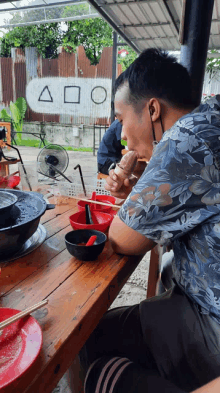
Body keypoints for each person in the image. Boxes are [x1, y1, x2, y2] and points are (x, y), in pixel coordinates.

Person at [79, 48, 220, 392]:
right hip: (200, 298)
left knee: (87, 341)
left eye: (121, 118)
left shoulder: (186, 140)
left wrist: (139, 190)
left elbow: (122, 238)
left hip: (209, 319)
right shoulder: (212, 116)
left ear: (153, 109)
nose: (122, 135)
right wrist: (139, 187)